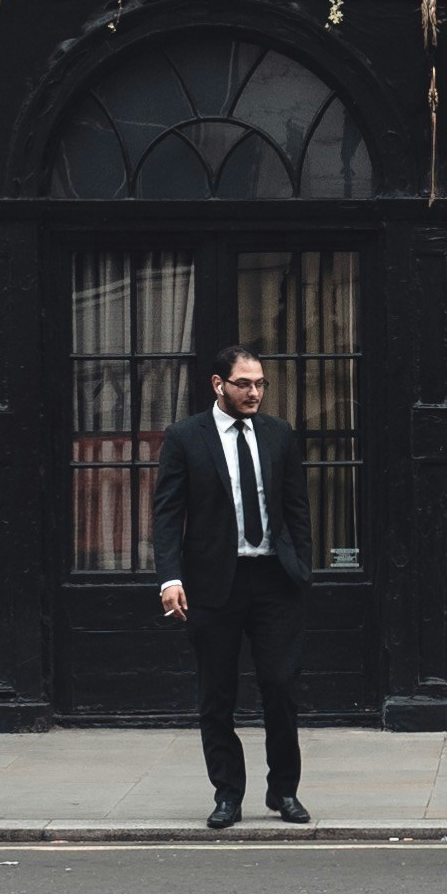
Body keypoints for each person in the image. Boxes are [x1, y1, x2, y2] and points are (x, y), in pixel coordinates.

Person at [154, 344, 313, 829]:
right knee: (216, 696)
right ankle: (228, 794)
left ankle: (283, 792)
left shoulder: (278, 434)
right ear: (218, 384)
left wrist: (300, 567)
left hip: (272, 580)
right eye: (244, 383)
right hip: (212, 583)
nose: (255, 392)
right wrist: (170, 577)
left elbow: (296, 506)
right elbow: (167, 512)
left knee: (280, 689)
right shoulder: (185, 437)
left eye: (261, 383)